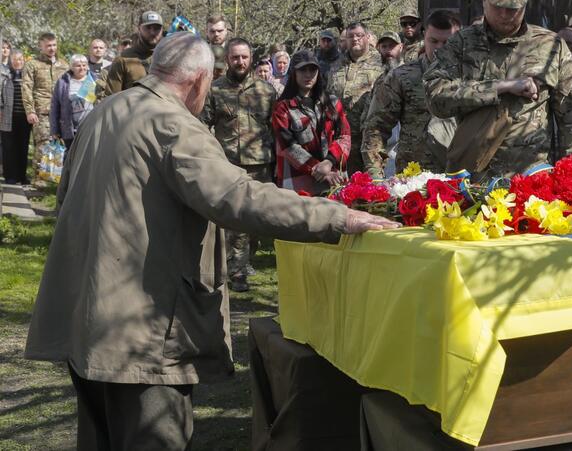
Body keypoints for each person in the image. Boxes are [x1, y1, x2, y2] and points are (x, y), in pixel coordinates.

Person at [24, 32, 396, 451]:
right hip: (143, 331)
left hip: (88, 320)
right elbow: (238, 196)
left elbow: (65, 197)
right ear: (201, 81)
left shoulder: (106, 110)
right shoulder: (173, 126)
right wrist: (337, 216)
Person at [424, 0, 572, 177]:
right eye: (497, 5)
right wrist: (499, 87)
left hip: (532, 180)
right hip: (472, 179)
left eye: (512, 8)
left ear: (525, 3)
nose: (503, 14)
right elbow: (435, 97)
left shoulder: (551, 46)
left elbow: (571, 119)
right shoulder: (461, 43)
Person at [201, 38, 278, 293]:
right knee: (234, 219)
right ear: (227, 59)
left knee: (257, 217)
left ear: (251, 58)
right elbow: (203, 125)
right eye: (235, 57)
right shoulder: (215, 90)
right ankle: (236, 271)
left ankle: (246, 261)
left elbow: (277, 128)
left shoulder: (267, 92)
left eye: (244, 57)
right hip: (229, 164)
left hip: (260, 164)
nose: (240, 62)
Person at [363, 10, 461, 177]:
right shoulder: (402, 77)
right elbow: (376, 128)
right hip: (414, 181)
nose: (439, 48)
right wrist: (375, 177)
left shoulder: (474, 76)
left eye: (447, 42)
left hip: (463, 179)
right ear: (424, 36)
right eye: (434, 41)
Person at [274, 50, 351, 196]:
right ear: (294, 73)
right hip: (299, 182)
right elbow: (288, 147)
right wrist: (318, 169)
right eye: (303, 70)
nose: (308, 75)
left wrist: (329, 162)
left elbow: (344, 136)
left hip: (334, 177)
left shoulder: (332, 102)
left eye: (312, 69)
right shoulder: (282, 107)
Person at [326, 22, 384, 174]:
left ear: (367, 37)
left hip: (371, 140)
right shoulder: (336, 65)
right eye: (351, 36)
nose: (355, 39)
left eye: (359, 35)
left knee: (372, 187)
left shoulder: (381, 62)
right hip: (343, 139)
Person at [22, 32, 69, 182]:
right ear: (41, 46)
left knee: (60, 144)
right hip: (42, 111)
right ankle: (39, 181)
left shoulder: (64, 65)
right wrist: (30, 111)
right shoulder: (32, 65)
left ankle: (55, 179)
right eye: (48, 45)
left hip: (61, 112)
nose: (52, 48)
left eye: (54, 45)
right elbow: (27, 88)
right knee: (43, 144)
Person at [97, 11, 164, 99]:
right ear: (139, 29)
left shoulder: (169, 57)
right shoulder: (123, 59)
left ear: (162, 30)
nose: (152, 32)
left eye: (156, 28)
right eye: (148, 27)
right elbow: (111, 99)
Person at [50, 55, 96, 150]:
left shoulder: (94, 80)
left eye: (84, 65)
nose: (82, 68)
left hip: (90, 127)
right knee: (70, 159)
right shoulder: (63, 82)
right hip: (69, 129)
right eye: (78, 65)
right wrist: (54, 130)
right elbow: (55, 107)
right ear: (71, 67)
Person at [1, 51, 30, 184]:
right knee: (8, 147)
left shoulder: (28, 75)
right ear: (11, 61)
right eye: (15, 59)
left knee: (23, 146)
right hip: (7, 116)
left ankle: (21, 176)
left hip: (24, 117)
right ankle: (10, 176)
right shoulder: (5, 75)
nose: (18, 62)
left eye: (20, 59)